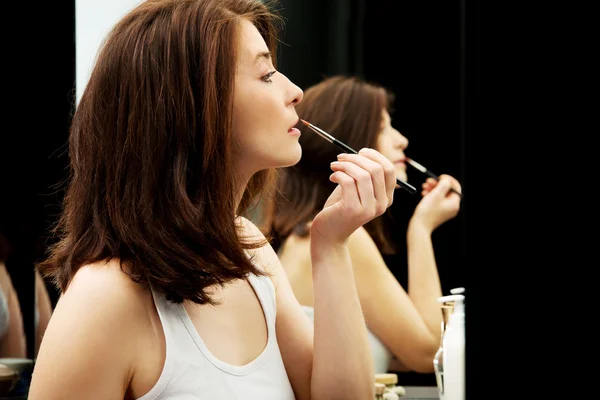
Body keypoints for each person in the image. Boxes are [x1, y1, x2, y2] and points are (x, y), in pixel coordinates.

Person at [28, 1, 399, 399]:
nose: (295, 92)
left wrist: (332, 246)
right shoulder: (104, 296)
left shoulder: (250, 251)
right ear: (193, 106)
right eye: (267, 74)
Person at [262, 75, 462, 374]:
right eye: (383, 128)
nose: (402, 140)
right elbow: (431, 353)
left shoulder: (305, 234)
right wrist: (421, 228)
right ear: (348, 143)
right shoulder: (340, 240)